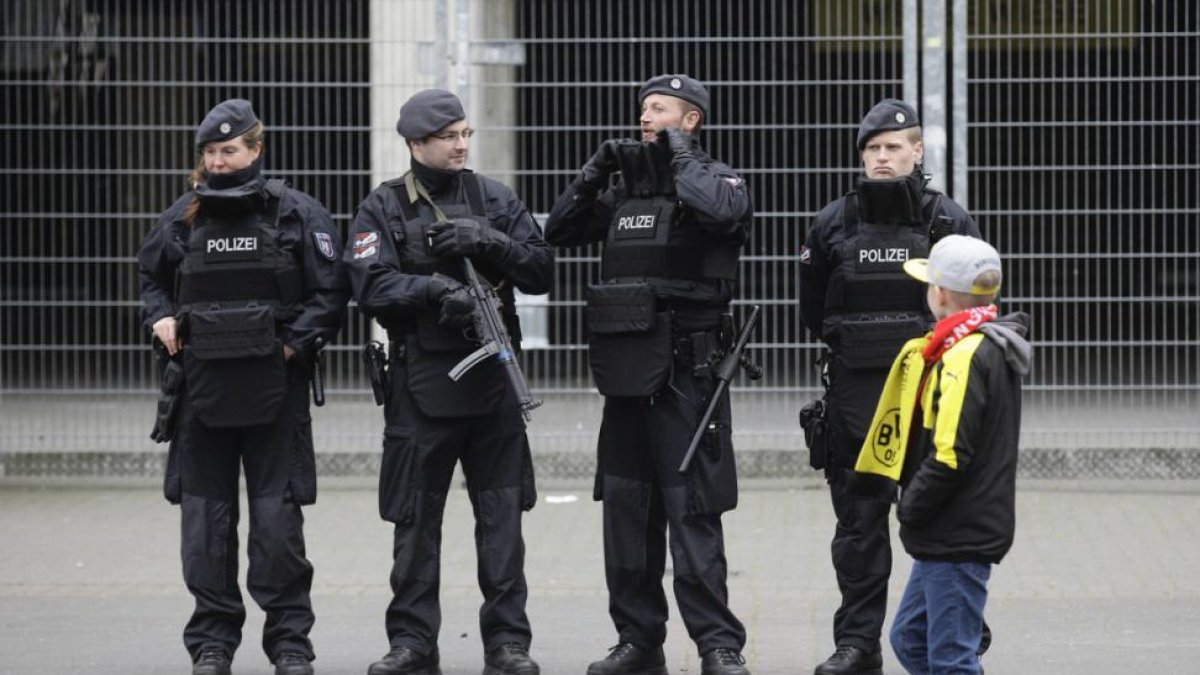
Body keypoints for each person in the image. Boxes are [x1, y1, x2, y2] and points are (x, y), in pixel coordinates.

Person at [544, 74, 753, 675]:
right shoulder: (622, 196)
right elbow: (557, 230)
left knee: (693, 515)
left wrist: (680, 156)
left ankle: (718, 645)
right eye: (642, 109)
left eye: (658, 109)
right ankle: (639, 642)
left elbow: (720, 212)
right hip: (627, 376)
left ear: (690, 119)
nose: (644, 117)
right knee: (628, 516)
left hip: (691, 378)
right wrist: (593, 171)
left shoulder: (721, 183)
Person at [138, 98, 350, 675]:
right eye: (210, 152)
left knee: (277, 528)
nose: (219, 161)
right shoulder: (184, 215)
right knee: (205, 528)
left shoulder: (295, 214)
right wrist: (158, 318)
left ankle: (289, 644)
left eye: (229, 150)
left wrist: (287, 346)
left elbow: (330, 294)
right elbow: (151, 281)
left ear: (256, 149)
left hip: (273, 392)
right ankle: (211, 643)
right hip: (200, 394)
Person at [345, 89, 553, 675]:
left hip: (494, 387)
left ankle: (508, 643)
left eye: (465, 134)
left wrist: (488, 241)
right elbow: (366, 286)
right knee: (415, 523)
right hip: (420, 388)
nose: (462, 144)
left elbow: (540, 270)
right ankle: (412, 643)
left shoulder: (493, 198)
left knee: (503, 523)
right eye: (448, 137)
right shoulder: (384, 207)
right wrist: (433, 291)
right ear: (416, 144)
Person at [797, 99, 984, 675]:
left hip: (931, 395)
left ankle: (954, 638)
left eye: (894, 147)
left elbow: (976, 308)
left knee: (937, 522)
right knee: (858, 527)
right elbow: (813, 310)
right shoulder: (833, 222)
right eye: (873, 149)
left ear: (917, 151)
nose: (882, 157)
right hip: (858, 393)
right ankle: (857, 645)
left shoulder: (946, 220)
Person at [852, 235, 1030, 674]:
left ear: (941, 294)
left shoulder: (964, 356)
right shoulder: (984, 342)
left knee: (951, 658)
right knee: (911, 638)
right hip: (956, 528)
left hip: (956, 530)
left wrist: (910, 507)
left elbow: (951, 453)